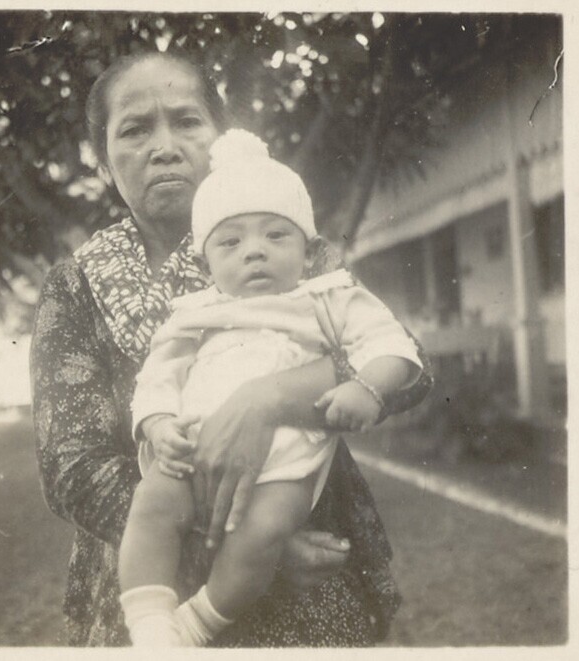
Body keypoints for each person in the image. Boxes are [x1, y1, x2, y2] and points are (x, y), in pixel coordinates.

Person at [30, 49, 433, 647]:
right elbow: (72, 467)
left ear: (219, 136)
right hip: (154, 576)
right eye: (135, 129)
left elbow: (406, 364)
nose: (164, 147)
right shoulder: (77, 283)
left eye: (186, 121)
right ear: (104, 159)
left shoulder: (289, 246)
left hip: (301, 552)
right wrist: (245, 547)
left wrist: (267, 399)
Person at [120, 129, 424, 647]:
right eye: (231, 242)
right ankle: (149, 625)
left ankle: (195, 625)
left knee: (263, 534)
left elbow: (393, 344)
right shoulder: (195, 313)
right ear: (206, 264)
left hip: (287, 463)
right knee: (151, 504)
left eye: (276, 236)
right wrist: (158, 422)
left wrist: (368, 388)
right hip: (193, 451)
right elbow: (158, 374)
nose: (254, 253)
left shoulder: (327, 298)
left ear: (309, 252)